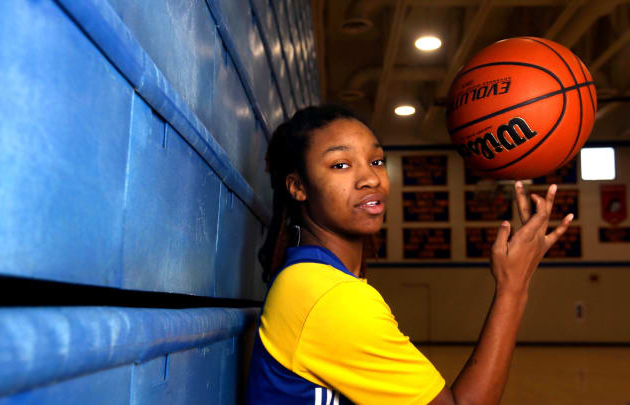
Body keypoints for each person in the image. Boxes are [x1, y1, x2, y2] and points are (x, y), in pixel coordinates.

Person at [245, 105, 574, 405]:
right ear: (298, 187)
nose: (371, 178)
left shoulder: (312, 279)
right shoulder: (328, 296)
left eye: (376, 161)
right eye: (341, 164)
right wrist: (513, 286)